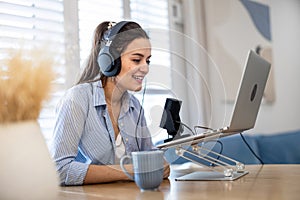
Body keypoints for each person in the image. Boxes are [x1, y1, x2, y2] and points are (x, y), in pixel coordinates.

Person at [50, 21, 170, 186]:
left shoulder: (135, 107)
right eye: (136, 60)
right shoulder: (77, 99)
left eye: (147, 61)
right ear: (110, 61)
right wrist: (130, 171)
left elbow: (149, 156)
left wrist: (160, 165)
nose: (145, 68)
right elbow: (60, 170)